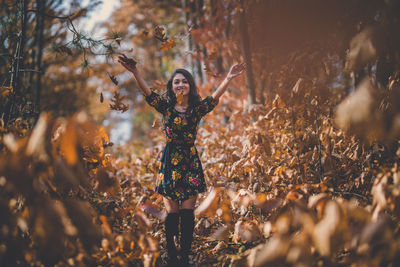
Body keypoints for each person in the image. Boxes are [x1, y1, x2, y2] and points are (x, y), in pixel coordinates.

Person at [118, 54, 245, 266]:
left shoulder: (195, 110)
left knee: (187, 213)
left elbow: (213, 99)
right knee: (172, 213)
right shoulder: (166, 107)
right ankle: (173, 256)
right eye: (176, 81)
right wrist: (135, 72)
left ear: (189, 86)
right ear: (172, 86)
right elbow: (148, 94)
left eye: (184, 81)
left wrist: (228, 78)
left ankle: (185, 256)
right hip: (169, 162)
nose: (180, 84)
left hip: (190, 162)